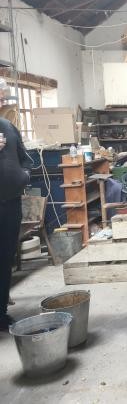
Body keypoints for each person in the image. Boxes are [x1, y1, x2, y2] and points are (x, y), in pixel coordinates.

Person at [0, 80, 33, 331]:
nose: (2, 101)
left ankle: (1, 313)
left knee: (5, 259)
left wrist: (24, 176)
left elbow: (24, 158)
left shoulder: (8, 127)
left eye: (2, 96)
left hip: (10, 204)